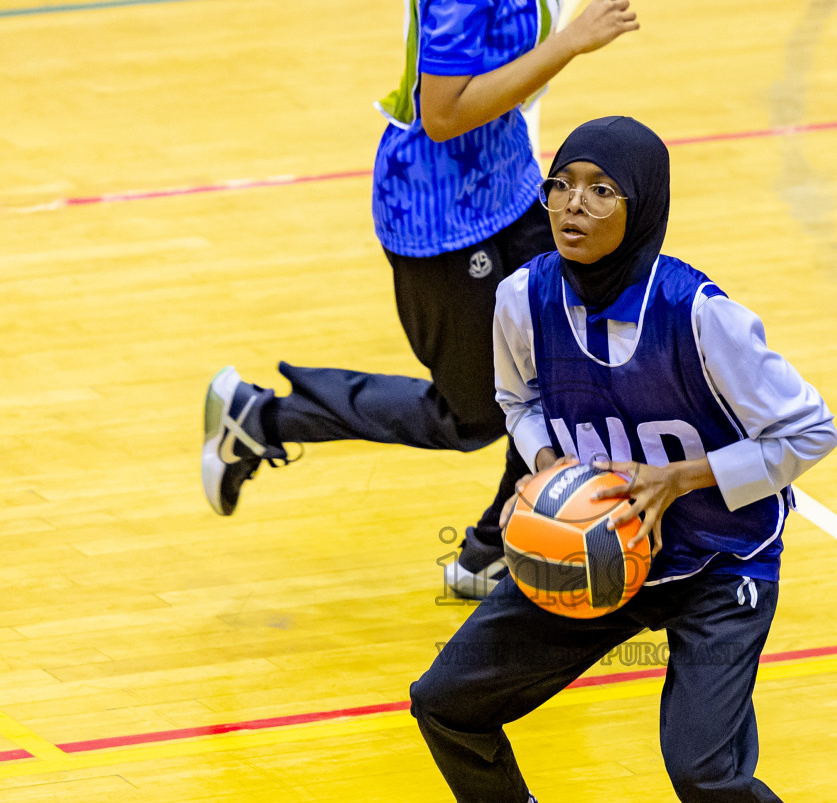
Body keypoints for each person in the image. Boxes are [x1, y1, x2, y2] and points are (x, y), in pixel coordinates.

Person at [397, 116, 837, 803]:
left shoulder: (701, 315)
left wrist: (688, 476)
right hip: (597, 556)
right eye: (560, 185)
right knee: (447, 700)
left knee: (703, 767)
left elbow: (811, 429)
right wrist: (546, 467)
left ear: (644, 204)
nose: (571, 206)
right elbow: (519, 397)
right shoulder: (524, 297)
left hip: (720, 561)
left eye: (600, 189)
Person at [200, 0, 640, 598]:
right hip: (441, 218)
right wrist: (571, 42)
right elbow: (442, 113)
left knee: (566, 372)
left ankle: (493, 549)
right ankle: (263, 418)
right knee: (474, 416)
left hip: (509, 186)